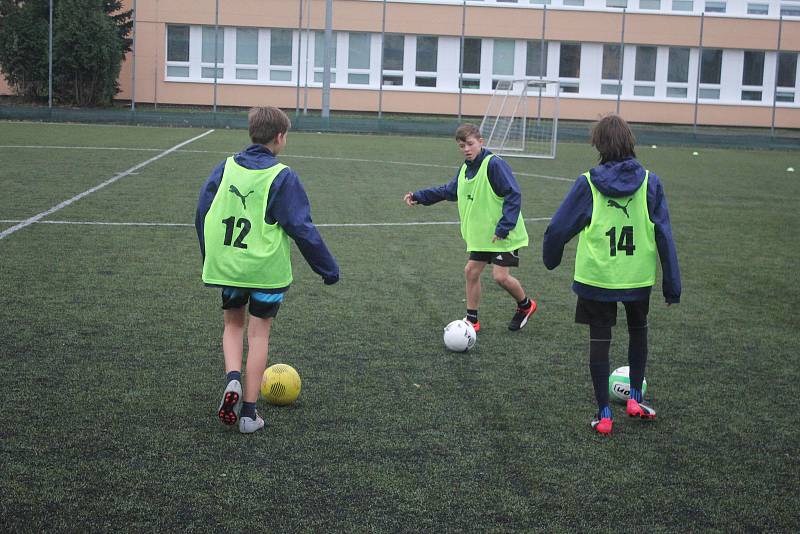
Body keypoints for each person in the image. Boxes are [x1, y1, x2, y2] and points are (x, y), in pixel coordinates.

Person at [195, 106, 339, 434]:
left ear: (251, 132)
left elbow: (202, 213)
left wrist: (210, 258)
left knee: (233, 325)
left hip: (229, 267)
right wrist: (327, 268)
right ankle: (248, 412)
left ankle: (232, 378)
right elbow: (302, 228)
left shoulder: (225, 168)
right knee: (259, 333)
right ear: (280, 137)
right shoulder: (282, 176)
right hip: (266, 272)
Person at [542, 113, 681, 435]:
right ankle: (634, 400)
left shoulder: (588, 182)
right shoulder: (651, 182)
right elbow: (665, 235)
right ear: (631, 142)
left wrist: (551, 259)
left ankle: (604, 415)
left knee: (600, 341)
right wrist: (671, 285)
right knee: (639, 332)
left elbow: (558, 228)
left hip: (597, 277)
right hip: (637, 276)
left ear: (598, 144)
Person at [404, 123, 537, 332]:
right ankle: (472, 320)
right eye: (461, 145)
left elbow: (513, 194)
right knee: (471, 271)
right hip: (483, 235)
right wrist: (419, 196)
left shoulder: (494, 165)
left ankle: (526, 306)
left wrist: (503, 227)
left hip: (503, 234)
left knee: (500, 277)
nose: (466, 149)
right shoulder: (465, 168)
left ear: (480, 142)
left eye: (470, 144)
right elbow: (449, 191)